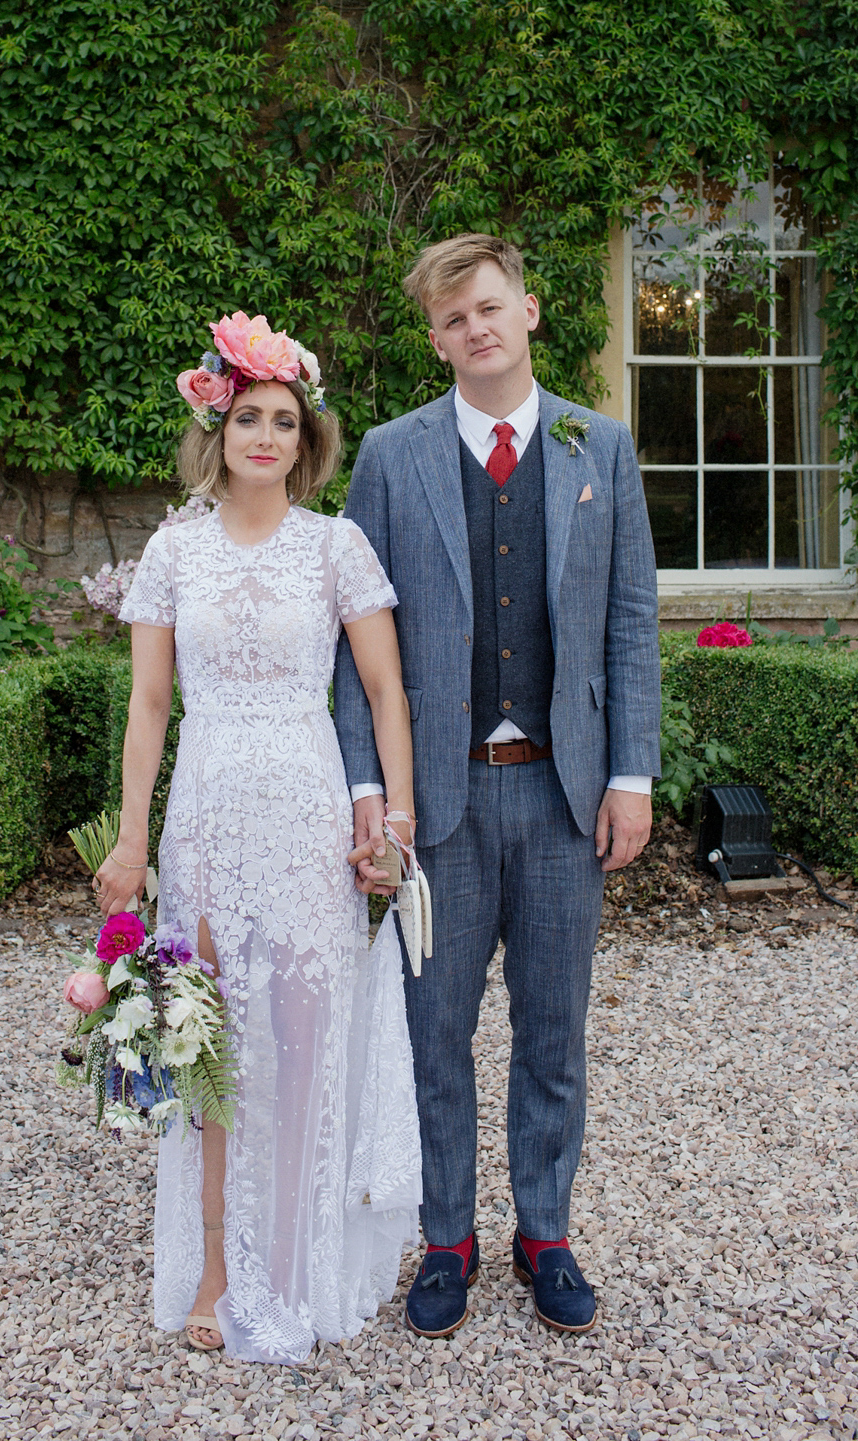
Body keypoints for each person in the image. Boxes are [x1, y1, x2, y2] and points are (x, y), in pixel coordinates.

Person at [334, 234, 661, 1339]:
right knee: (435, 1030)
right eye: (452, 318)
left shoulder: (598, 446)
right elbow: (355, 645)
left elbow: (628, 622)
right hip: (442, 802)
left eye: (490, 307)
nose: (475, 328)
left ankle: (546, 1230)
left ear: (530, 310)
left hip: (567, 796)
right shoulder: (391, 454)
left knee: (554, 1028)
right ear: (435, 337)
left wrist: (632, 775)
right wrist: (368, 790)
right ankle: (447, 1238)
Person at [95, 312, 421, 1364]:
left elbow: (383, 689)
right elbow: (150, 703)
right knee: (213, 1042)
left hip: (307, 813)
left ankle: (298, 1257)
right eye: (249, 417)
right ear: (218, 427)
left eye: (285, 419)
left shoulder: (336, 545)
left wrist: (397, 822)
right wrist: (133, 836)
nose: (267, 436)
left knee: (305, 1040)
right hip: (205, 812)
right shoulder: (172, 548)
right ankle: (218, 1269)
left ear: (307, 437)